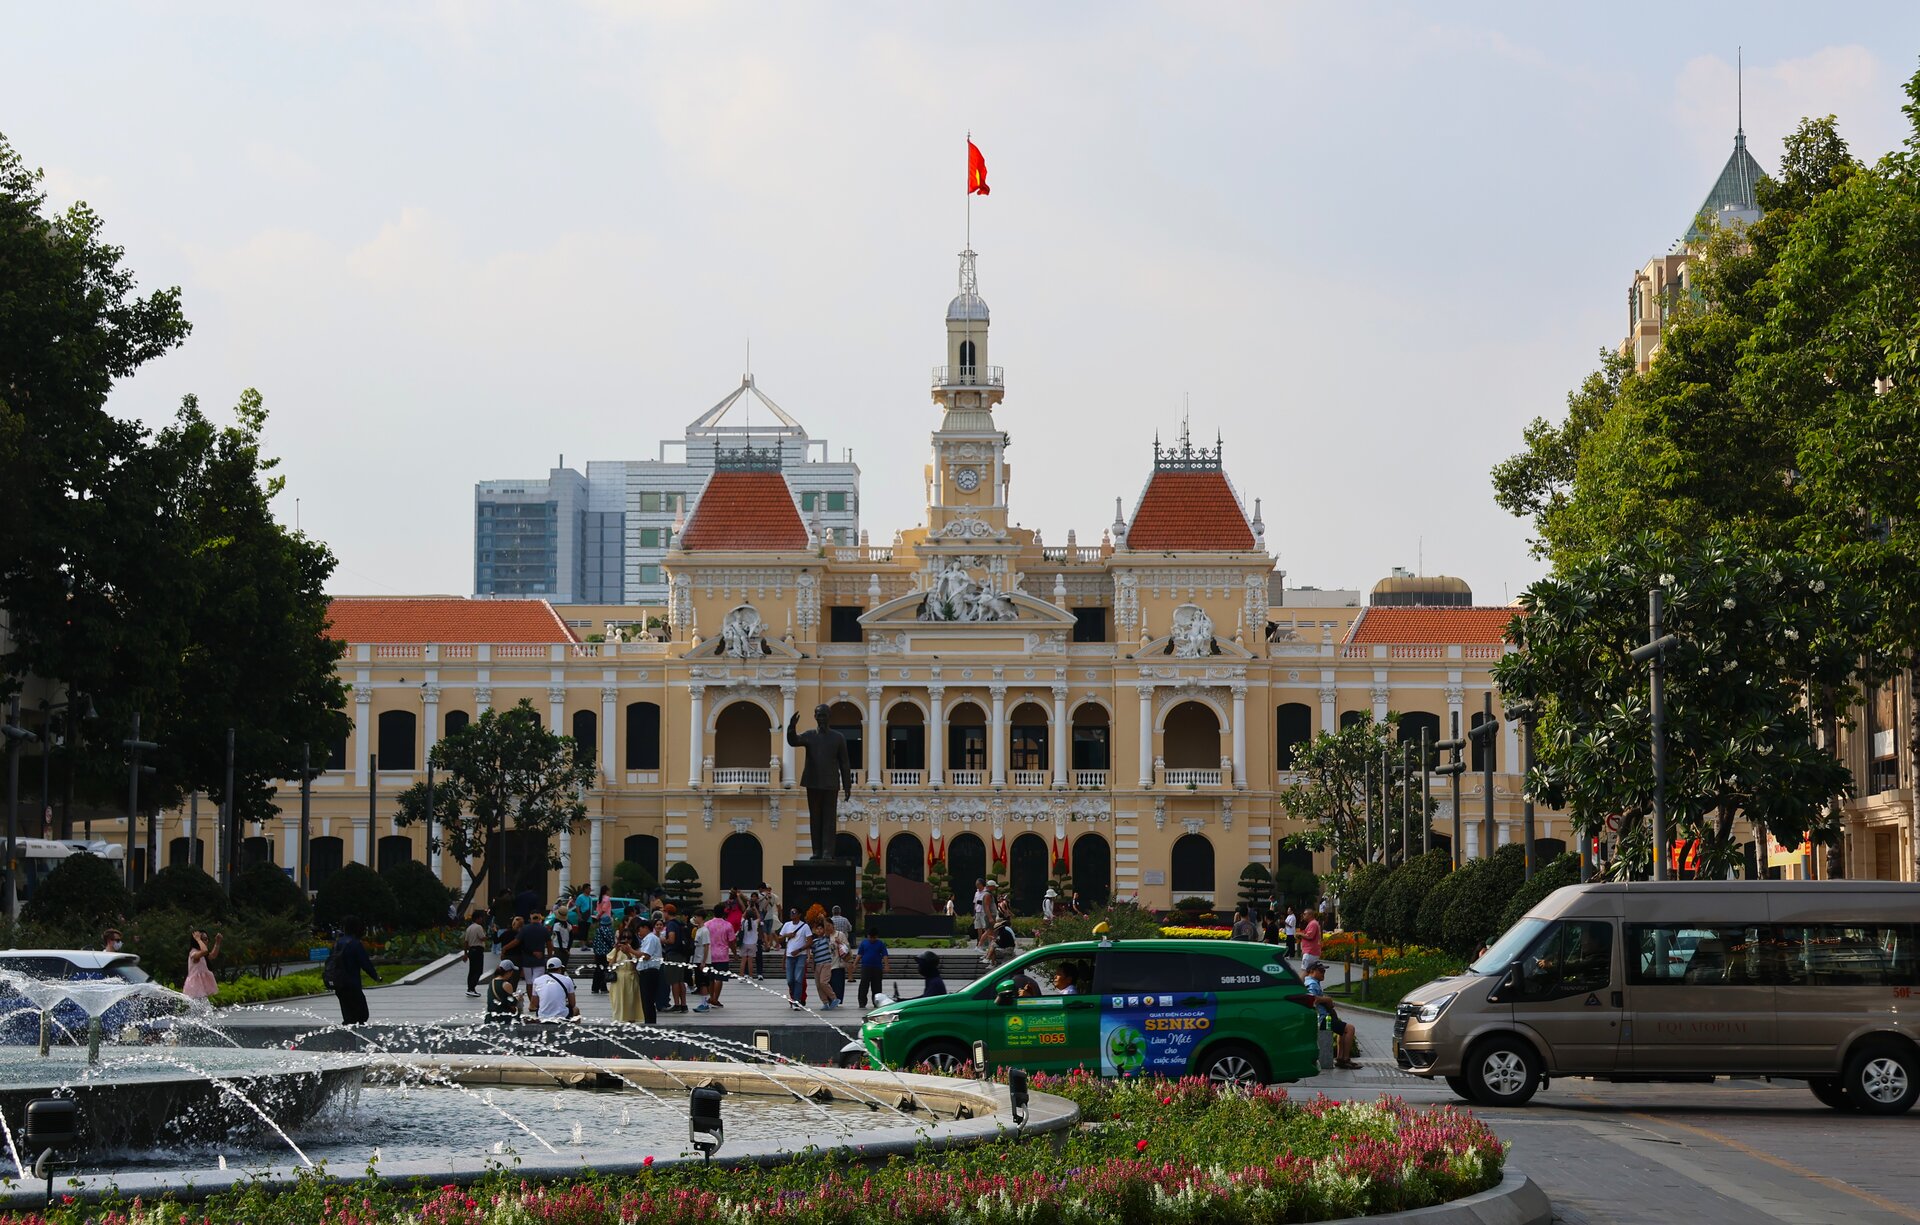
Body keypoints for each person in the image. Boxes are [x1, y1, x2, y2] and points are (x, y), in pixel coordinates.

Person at [1303, 965, 1360, 1069]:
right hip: (1323, 1019)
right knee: (1350, 1029)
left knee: (1342, 1031)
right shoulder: (1312, 983)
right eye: (1321, 970)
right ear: (1311, 971)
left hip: (1322, 1018)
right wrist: (1327, 1000)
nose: (1323, 972)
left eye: (1324, 970)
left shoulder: (1310, 981)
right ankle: (1345, 1059)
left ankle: (1340, 1058)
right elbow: (1312, 998)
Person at [329, 916, 382, 1025]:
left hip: (339, 984)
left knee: (348, 1015)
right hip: (352, 984)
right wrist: (375, 976)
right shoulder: (355, 944)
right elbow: (365, 963)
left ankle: (346, 1038)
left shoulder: (338, 943)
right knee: (362, 1014)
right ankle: (357, 1038)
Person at [700, 907, 734, 1010]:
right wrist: (735, 953)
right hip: (722, 955)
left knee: (711, 978)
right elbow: (731, 940)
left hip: (710, 955)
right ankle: (715, 998)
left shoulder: (707, 924)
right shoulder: (728, 925)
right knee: (720, 978)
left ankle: (711, 997)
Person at [635, 917, 664, 1025]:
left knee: (648, 1000)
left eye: (640, 930)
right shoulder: (648, 939)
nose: (639, 933)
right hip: (647, 972)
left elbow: (646, 956)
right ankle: (649, 1021)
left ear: (646, 928)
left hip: (649, 972)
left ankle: (650, 1023)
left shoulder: (651, 938)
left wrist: (631, 950)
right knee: (646, 1000)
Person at [609, 931, 642, 1024]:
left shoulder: (635, 950)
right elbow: (611, 965)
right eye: (624, 937)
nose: (626, 940)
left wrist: (628, 953)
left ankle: (631, 1020)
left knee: (630, 1001)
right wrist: (616, 951)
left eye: (629, 938)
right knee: (617, 1001)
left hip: (631, 977)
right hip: (618, 978)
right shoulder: (616, 950)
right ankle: (618, 1020)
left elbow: (636, 965)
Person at [807, 917, 840, 1009]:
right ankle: (825, 1002)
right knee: (818, 985)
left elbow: (827, 929)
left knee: (823, 982)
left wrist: (823, 919)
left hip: (826, 963)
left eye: (821, 928)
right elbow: (813, 954)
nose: (819, 930)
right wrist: (812, 965)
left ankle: (834, 998)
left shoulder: (826, 938)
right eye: (817, 929)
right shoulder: (813, 942)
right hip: (818, 964)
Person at [781, 908, 810, 1009]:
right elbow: (779, 938)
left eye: (794, 913)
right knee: (790, 980)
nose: (792, 914)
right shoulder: (787, 925)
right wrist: (786, 935)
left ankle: (796, 1001)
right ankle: (793, 998)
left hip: (800, 956)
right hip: (789, 956)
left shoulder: (805, 926)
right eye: (791, 913)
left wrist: (799, 950)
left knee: (798, 979)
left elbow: (810, 941)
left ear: (799, 914)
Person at [534, 956, 578, 1021]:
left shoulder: (537, 980)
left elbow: (535, 1004)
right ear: (560, 968)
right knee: (576, 1010)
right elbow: (572, 1004)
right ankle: (573, 1029)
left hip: (542, 1016)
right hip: (562, 1015)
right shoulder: (567, 980)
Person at [183, 930, 220, 1004]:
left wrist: (218, 942)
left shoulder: (201, 953)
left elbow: (212, 955)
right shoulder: (194, 953)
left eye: (207, 939)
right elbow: (205, 951)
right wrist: (198, 939)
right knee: (200, 1006)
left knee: (204, 1006)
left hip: (200, 984)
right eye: (204, 939)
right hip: (194, 985)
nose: (207, 941)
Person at [661, 907, 688, 1013]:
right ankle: (683, 1004)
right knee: (681, 980)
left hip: (673, 955)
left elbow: (671, 939)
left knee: (674, 981)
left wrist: (663, 940)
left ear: (667, 912)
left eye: (664, 912)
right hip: (681, 954)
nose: (663, 914)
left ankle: (677, 1004)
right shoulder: (679, 923)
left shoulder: (671, 924)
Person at [856, 928, 889, 1008]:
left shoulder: (880, 943)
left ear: (877, 937)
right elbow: (859, 954)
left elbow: (885, 955)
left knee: (877, 986)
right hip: (866, 967)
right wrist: (855, 963)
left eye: (874, 938)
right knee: (864, 985)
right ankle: (862, 1002)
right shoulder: (864, 943)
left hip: (877, 967)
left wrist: (886, 965)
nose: (872, 939)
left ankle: (876, 1002)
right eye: (870, 937)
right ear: (868, 936)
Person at [590, 905, 617, 993]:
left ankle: (595, 988)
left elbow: (594, 943)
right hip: (606, 954)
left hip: (598, 953)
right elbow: (612, 942)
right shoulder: (610, 930)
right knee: (604, 970)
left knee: (597, 970)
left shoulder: (598, 930)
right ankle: (603, 987)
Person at [463, 910, 489, 998]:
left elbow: (466, 942)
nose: (482, 919)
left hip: (471, 950)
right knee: (478, 970)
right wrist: (488, 936)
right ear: (478, 918)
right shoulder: (478, 927)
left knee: (472, 970)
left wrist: (465, 953)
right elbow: (482, 938)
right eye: (481, 918)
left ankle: (470, 988)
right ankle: (472, 988)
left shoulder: (469, 928)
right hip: (478, 950)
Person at [828, 920, 853, 1005]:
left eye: (829, 925)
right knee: (828, 984)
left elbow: (847, 947)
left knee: (837, 984)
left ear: (833, 925)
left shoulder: (840, 935)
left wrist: (840, 943)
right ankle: (830, 1000)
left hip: (838, 963)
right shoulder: (825, 936)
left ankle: (837, 1000)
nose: (827, 928)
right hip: (827, 964)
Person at [739, 908, 760, 980]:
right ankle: (751, 976)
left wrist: (747, 908)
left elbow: (742, 916)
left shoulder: (743, 922)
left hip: (744, 943)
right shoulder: (755, 923)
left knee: (743, 961)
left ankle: (741, 976)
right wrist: (755, 909)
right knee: (750, 961)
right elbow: (759, 917)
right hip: (753, 943)